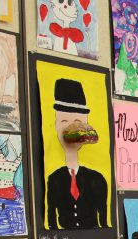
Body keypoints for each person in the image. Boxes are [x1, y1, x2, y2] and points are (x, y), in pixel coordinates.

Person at [46, 79, 108, 230]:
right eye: (63, 121)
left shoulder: (97, 179)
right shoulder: (53, 179)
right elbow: (51, 218)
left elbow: (104, 221)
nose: (71, 127)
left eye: (78, 121)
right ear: (55, 125)